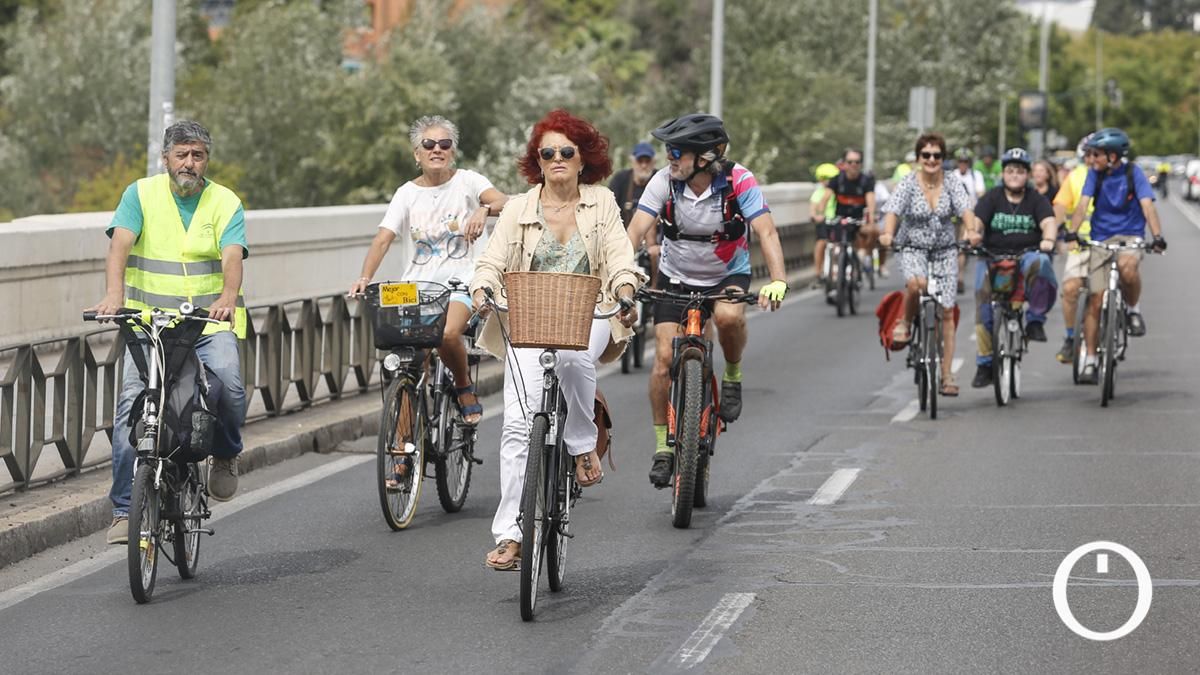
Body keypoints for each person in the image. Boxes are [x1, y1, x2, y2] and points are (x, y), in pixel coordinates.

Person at [470, 109, 642, 570]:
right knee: (517, 426)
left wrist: (625, 290)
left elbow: (620, 257)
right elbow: (492, 258)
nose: (558, 159)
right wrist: (483, 287)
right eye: (548, 153)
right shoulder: (520, 208)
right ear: (537, 161)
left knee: (571, 361)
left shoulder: (602, 202)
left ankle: (582, 443)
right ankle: (510, 534)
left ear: (584, 159)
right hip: (528, 313)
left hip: (592, 308)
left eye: (568, 151)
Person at [86, 121, 248, 545]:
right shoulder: (139, 194)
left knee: (229, 385)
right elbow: (119, 245)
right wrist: (113, 296)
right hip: (148, 322)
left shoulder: (225, 201)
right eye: (181, 155)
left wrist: (228, 297)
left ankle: (227, 453)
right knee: (131, 412)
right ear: (166, 159)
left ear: (206, 160)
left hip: (208, 323)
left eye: (197, 156)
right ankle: (124, 510)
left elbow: (232, 256)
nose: (189, 164)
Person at [624, 113, 788, 488]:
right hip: (675, 275)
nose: (670, 158)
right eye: (669, 150)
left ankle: (732, 374)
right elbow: (635, 230)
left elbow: (766, 230)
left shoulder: (738, 181)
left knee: (729, 318)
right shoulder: (664, 181)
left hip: (726, 273)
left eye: (677, 152)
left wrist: (778, 280)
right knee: (664, 360)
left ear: (705, 158)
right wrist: (618, 274)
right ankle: (663, 448)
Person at [348, 116, 507, 432]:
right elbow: (383, 238)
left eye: (444, 144)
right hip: (416, 288)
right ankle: (405, 448)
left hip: (462, 282)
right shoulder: (406, 193)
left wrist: (484, 209)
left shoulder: (468, 182)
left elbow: (503, 200)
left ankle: (462, 387)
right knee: (408, 361)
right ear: (416, 154)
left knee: (447, 334)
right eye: (429, 144)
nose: (437, 149)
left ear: (453, 151)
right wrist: (364, 277)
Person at [1065, 128, 1167, 384]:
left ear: (1113, 156)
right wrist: (1072, 232)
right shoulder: (1094, 175)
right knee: (1095, 300)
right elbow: (1082, 204)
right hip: (1100, 237)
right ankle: (1089, 359)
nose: (1092, 158)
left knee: (1128, 268)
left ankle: (1133, 310)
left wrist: (1157, 236)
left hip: (1130, 235)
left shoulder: (1134, 173)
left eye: (1096, 154)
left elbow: (1147, 205)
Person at [879, 132, 976, 397]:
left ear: (943, 159)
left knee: (946, 311)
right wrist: (887, 233)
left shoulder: (953, 181)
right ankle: (906, 323)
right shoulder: (909, 182)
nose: (931, 160)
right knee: (915, 283)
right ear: (919, 157)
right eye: (926, 155)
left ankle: (946, 375)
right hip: (913, 246)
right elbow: (893, 211)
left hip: (945, 249)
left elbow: (966, 210)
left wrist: (971, 230)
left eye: (937, 155)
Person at [968, 148, 1058, 388]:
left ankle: (1036, 320)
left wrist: (1048, 240)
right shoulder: (992, 197)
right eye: (1010, 171)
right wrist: (974, 235)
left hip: (1026, 255)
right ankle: (985, 363)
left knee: (1042, 263)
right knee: (983, 304)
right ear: (1003, 174)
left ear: (1027, 175)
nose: (1014, 175)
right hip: (992, 256)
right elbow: (977, 221)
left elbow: (1048, 222)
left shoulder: (1035, 199)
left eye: (1019, 171)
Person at [1053, 135, 1096, 365]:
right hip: (1079, 244)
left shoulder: (1113, 175)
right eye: (1088, 154)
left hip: (1106, 244)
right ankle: (1071, 337)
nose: (1091, 159)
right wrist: (1050, 235)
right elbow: (1059, 208)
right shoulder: (1075, 177)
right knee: (1070, 289)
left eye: (1095, 154)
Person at [813, 148, 878, 294]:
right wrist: (820, 213)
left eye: (857, 162)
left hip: (858, 220)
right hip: (840, 220)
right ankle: (834, 277)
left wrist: (871, 218)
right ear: (844, 164)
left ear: (860, 164)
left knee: (873, 232)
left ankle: (864, 258)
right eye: (850, 162)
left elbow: (871, 201)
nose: (853, 165)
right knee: (834, 246)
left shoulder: (866, 181)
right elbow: (825, 198)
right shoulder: (837, 180)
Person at [809, 162, 839, 287]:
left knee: (839, 245)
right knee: (821, 242)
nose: (828, 182)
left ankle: (838, 270)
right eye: (825, 179)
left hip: (837, 221)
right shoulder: (819, 193)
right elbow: (814, 210)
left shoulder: (839, 192)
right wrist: (816, 216)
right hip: (824, 222)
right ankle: (818, 272)